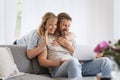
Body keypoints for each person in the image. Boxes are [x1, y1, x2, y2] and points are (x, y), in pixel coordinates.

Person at [38, 12, 112, 80]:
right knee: (73, 61)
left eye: (69, 26)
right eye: (64, 25)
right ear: (57, 24)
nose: (67, 28)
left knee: (106, 61)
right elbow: (42, 61)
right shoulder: (47, 39)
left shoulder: (70, 38)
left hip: (77, 65)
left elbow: (77, 56)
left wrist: (69, 46)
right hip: (58, 69)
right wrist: (59, 62)